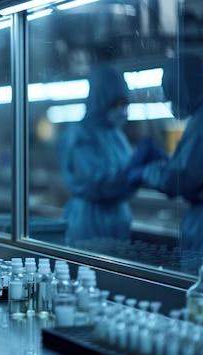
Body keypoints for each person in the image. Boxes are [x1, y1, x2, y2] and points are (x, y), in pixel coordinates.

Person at [59, 65, 156, 243]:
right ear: (101, 99)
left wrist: (142, 169)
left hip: (119, 217)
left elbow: (123, 175)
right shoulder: (80, 133)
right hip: (88, 219)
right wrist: (133, 171)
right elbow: (96, 183)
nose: (123, 110)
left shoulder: (116, 134)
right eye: (118, 103)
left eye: (126, 103)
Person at [129, 53, 203, 254]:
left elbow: (181, 177)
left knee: (201, 282)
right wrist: (167, 163)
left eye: (172, 95)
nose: (170, 103)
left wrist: (147, 172)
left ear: (183, 89)